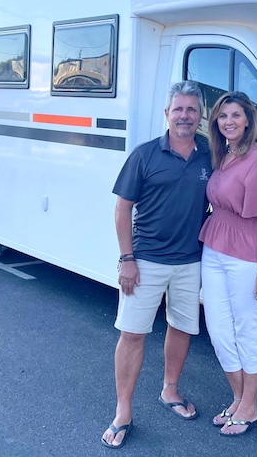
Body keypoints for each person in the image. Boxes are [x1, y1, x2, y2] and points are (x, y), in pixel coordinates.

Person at [101, 81, 212, 449]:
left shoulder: (210, 155)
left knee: (181, 328)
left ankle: (170, 391)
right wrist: (127, 259)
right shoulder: (145, 155)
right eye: (178, 109)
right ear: (167, 114)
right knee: (132, 334)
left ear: (200, 116)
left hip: (190, 261)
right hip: (145, 261)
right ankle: (123, 412)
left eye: (191, 110)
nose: (184, 116)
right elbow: (122, 208)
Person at [198, 91, 257, 437]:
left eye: (235, 115)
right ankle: (238, 396)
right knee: (219, 332)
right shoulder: (223, 154)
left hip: (248, 257)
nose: (229, 121)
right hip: (215, 248)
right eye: (222, 116)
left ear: (248, 120)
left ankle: (249, 406)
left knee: (247, 332)